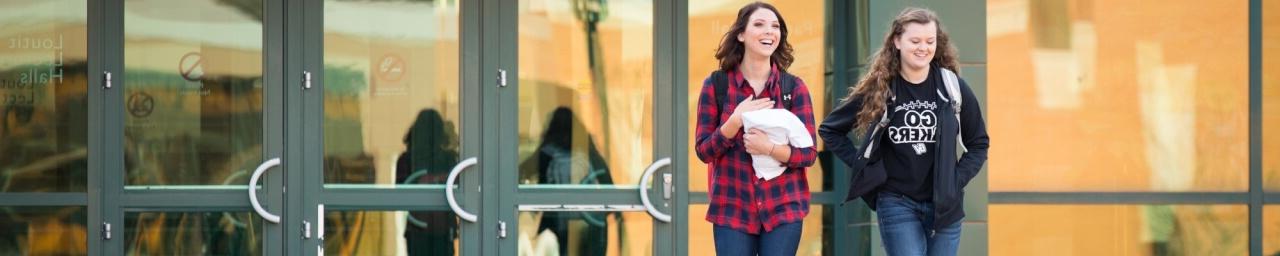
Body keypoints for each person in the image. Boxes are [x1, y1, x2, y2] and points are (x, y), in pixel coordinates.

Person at [818, 7, 989, 256]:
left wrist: (955, 179)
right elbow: (830, 130)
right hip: (897, 203)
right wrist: (863, 164)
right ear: (897, 41)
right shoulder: (881, 87)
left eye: (930, 41)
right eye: (915, 40)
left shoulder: (951, 86)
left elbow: (979, 143)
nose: (923, 48)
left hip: (945, 205)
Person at [693, 2, 817, 255]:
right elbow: (704, 151)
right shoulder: (717, 85)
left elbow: (808, 154)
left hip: (784, 206)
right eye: (759, 25)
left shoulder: (793, 88)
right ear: (741, 34)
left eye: (775, 27)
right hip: (732, 207)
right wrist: (734, 121)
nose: (769, 32)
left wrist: (769, 148)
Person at [395, 109, 460, 255]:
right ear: (440, 134)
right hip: (442, 229)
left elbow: (399, 194)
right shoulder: (448, 158)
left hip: (417, 229)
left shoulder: (406, 160)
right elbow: (460, 186)